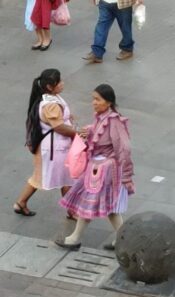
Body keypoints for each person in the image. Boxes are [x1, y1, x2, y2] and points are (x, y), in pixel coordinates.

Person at [55, 84, 134, 250]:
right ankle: (123, 239)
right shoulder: (102, 118)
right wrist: (89, 132)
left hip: (105, 172)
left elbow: (124, 148)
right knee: (108, 208)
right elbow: (99, 134)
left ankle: (75, 238)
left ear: (109, 102)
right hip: (97, 170)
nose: (94, 102)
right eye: (93, 99)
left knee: (89, 204)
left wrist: (126, 174)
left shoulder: (114, 121)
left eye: (98, 99)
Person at [13, 68, 81, 216]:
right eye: (59, 82)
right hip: (54, 149)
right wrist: (79, 133)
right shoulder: (50, 104)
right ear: (50, 87)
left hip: (53, 148)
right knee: (67, 178)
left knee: (41, 177)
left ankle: (21, 203)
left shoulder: (49, 98)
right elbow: (59, 127)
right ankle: (72, 211)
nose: (62, 84)